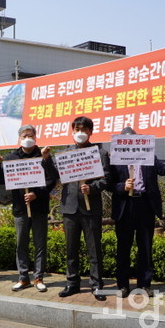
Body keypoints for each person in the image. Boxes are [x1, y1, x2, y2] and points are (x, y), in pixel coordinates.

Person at [110, 127, 165, 297]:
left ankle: (145, 284)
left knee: (145, 247)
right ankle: (123, 285)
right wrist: (122, 186)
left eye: (133, 140)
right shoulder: (116, 160)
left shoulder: (148, 157)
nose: (130, 143)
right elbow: (108, 183)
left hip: (145, 205)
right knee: (123, 247)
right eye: (126, 141)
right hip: (125, 206)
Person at [0, 125, 58, 292]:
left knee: (40, 244)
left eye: (30, 135)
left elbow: (52, 179)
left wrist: (37, 193)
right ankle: (23, 278)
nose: (27, 138)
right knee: (21, 244)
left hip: (39, 208)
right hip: (20, 208)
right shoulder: (12, 157)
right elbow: (3, 181)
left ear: (36, 137)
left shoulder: (42, 155)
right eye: (24, 135)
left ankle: (38, 277)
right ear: (19, 139)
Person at [57, 116, 111, 301]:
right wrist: (47, 160)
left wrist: (93, 187)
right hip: (70, 208)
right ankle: (72, 283)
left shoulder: (100, 153)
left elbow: (106, 179)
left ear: (90, 132)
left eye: (83, 130)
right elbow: (55, 175)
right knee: (71, 249)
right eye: (76, 130)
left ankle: (96, 285)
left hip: (91, 208)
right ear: (72, 132)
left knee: (94, 249)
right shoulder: (65, 154)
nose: (79, 133)